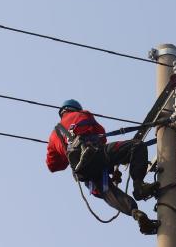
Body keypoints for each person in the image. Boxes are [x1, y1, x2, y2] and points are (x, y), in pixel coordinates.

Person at [46, 99, 160, 234]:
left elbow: (53, 166)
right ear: (75, 109)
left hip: (83, 171)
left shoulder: (53, 136)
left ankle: (135, 213)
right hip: (96, 155)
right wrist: (111, 163)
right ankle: (139, 186)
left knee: (107, 191)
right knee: (137, 146)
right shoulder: (83, 114)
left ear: (62, 112)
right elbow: (101, 135)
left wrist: (65, 150)